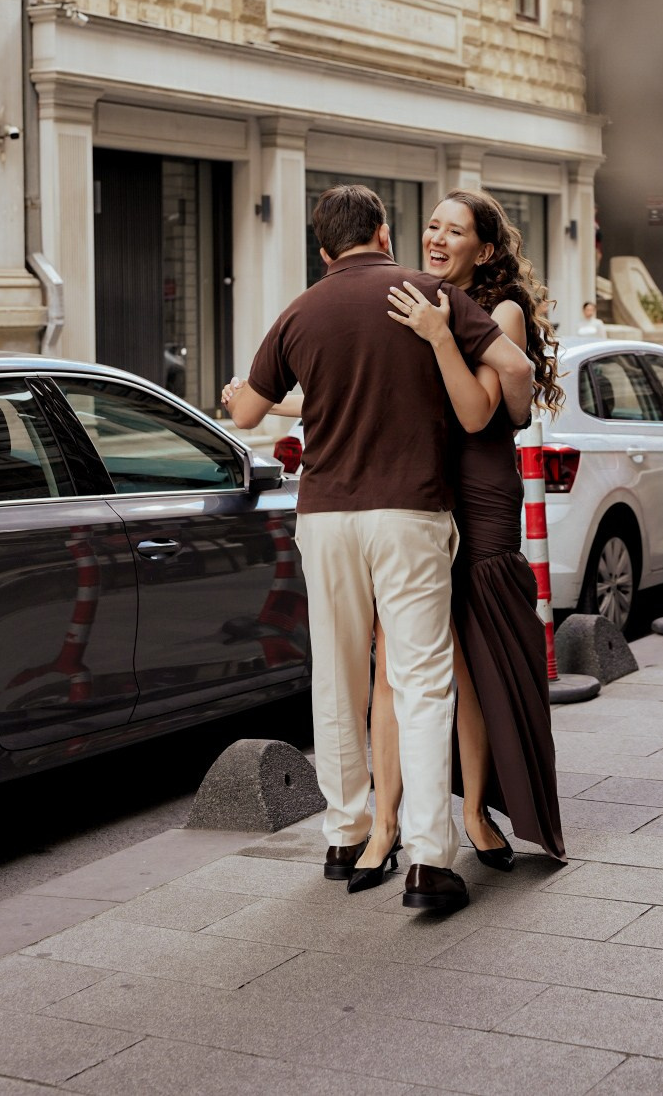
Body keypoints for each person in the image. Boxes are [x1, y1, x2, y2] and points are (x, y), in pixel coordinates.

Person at [222, 185, 534, 912]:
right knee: (422, 681)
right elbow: (513, 371)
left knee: (339, 678)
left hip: (327, 516)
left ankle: (345, 834)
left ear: (324, 249)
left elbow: (244, 412)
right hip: (410, 512)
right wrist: (512, 416)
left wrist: (246, 388)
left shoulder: (300, 310)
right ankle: (430, 860)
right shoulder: (427, 294)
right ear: (384, 233)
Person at [349, 189, 565, 892]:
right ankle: (386, 823)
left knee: (472, 654)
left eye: (454, 230)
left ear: (487, 248)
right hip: (417, 495)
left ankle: (474, 812)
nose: (436, 238)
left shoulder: (499, 312)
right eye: (431, 226)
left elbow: (479, 415)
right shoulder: (412, 298)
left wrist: (441, 336)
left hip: (478, 495)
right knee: (392, 657)